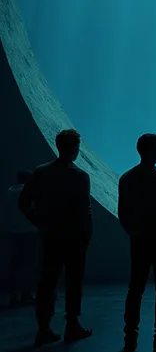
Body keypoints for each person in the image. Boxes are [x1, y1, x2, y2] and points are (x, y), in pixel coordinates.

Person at [19, 129, 92, 346]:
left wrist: (39, 223)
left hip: (50, 236)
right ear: (75, 149)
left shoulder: (41, 172)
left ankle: (43, 328)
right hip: (75, 238)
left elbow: (23, 202)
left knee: (47, 282)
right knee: (74, 282)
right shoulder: (80, 175)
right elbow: (85, 212)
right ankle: (72, 324)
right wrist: (86, 237)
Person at [118, 133, 156, 352]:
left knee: (135, 290)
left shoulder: (126, 178)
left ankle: (130, 339)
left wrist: (134, 233)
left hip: (139, 243)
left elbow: (122, 214)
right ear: (150, 151)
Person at [5, 170, 37, 307]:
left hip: (12, 232)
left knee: (14, 265)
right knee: (29, 265)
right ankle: (26, 294)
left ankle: (13, 295)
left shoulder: (8, 192)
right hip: (29, 232)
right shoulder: (30, 192)